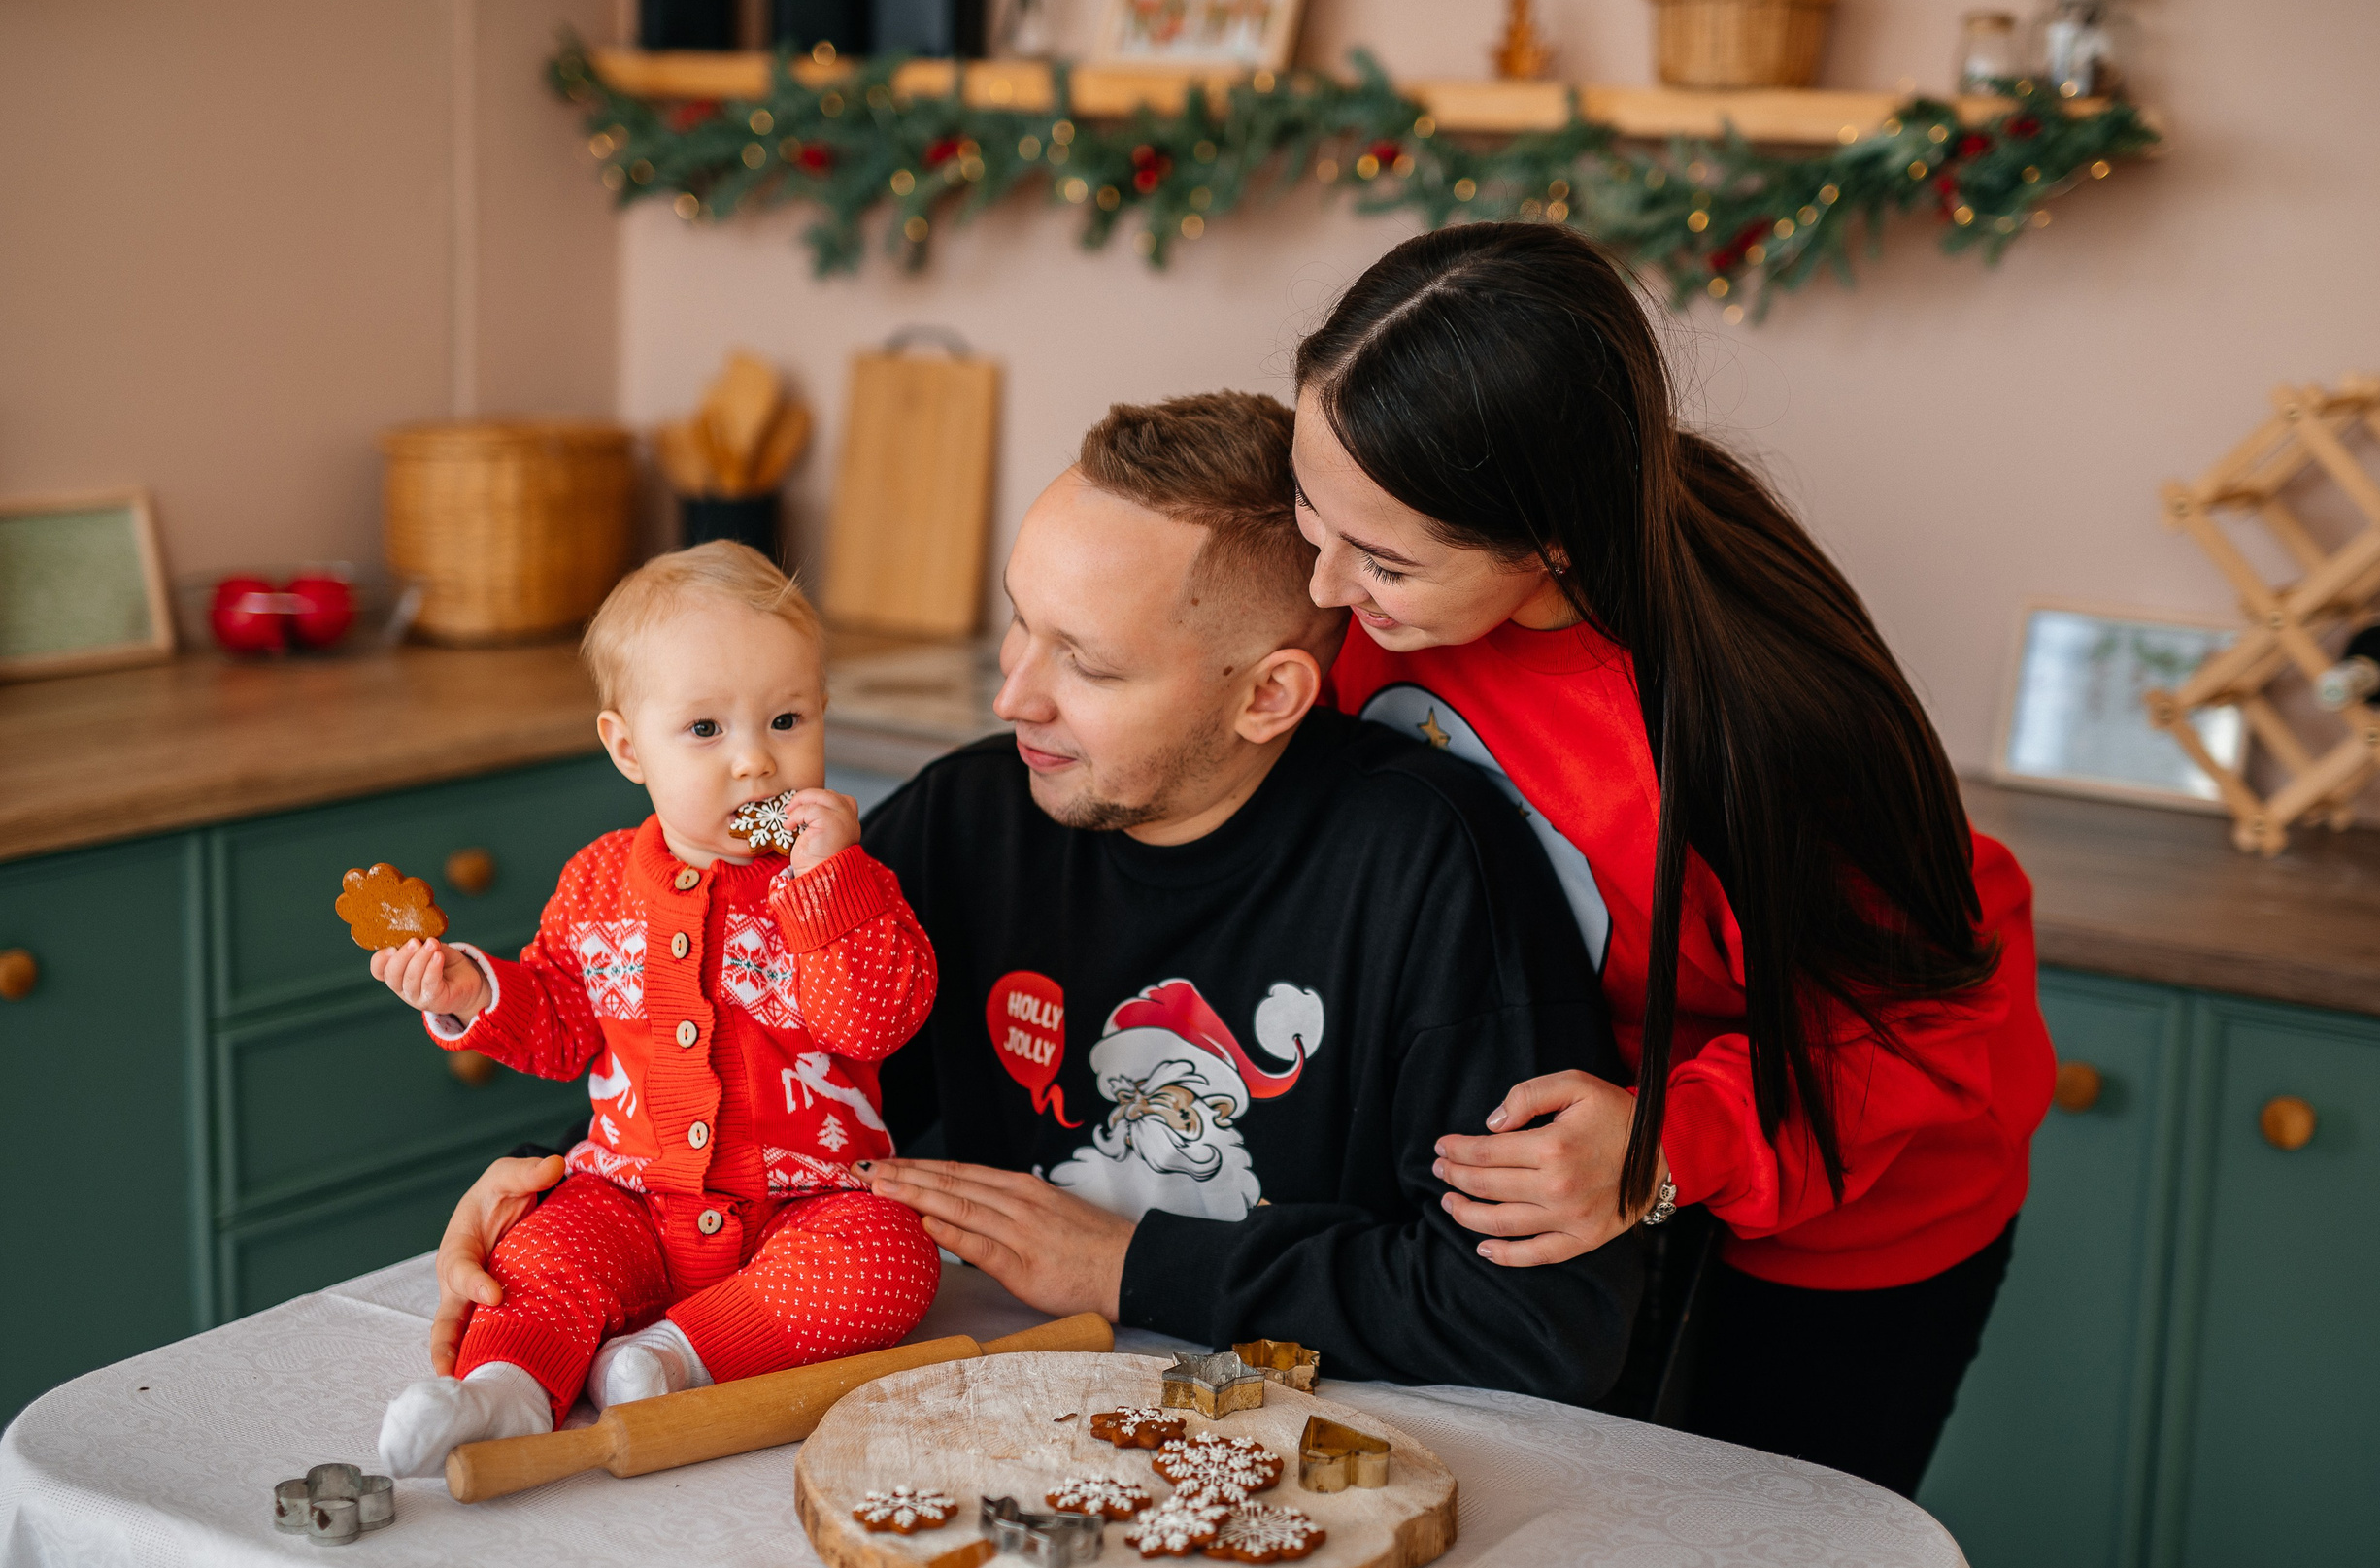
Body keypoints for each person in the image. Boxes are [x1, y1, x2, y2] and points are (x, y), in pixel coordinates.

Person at [431, 390, 1646, 1405]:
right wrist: (567, 1185)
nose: (1014, 695)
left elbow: (1534, 1317)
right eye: (1020, 626)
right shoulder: (969, 816)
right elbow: (763, 1068)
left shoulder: (1432, 864)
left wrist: (1135, 1264)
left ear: (1268, 695)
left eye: (1088, 661)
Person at [1291, 222, 2056, 1496]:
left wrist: (1667, 1144)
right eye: (1309, 506)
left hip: (1843, 1198)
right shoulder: (1380, 582)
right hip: (1598, 1149)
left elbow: (1935, 1019)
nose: (1320, 579)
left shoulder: (1765, 728)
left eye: (1383, 557)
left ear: (1551, 541)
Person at [364, 542, 943, 1478]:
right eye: (706, 730)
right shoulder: (595, 882)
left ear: (824, 717)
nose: (757, 761)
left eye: (786, 719)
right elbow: (560, 1025)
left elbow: (872, 1024)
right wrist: (476, 989)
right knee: (540, 1242)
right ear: (628, 745)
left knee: (895, 1260)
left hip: (807, 1204)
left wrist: (831, 882)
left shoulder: (850, 884)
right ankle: (505, 1387)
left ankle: (671, 1357)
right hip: (629, 1197)